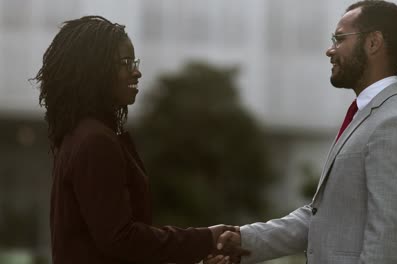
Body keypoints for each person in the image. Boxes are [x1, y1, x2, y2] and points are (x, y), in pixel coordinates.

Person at [207, 1, 397, 263]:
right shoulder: (367, 117)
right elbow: (323, 217)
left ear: (373, 43)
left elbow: (385, 244)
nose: (330, 50)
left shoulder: (396, 125)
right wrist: (243, 241)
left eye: (339, 38)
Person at [33, 16, 247, 264]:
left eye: (134, 61)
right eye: (125, 62)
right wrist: (206, 239)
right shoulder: (94, 141)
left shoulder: (80, 135)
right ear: (94, 69)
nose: (137, 71)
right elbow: (120, 239)